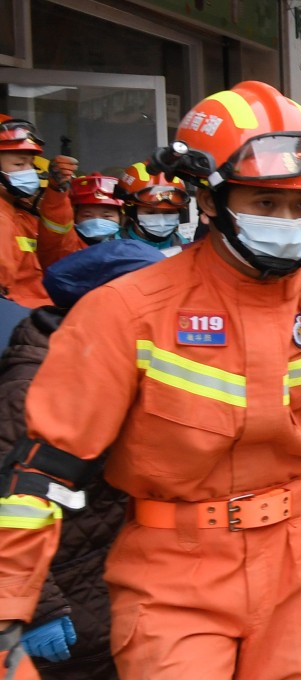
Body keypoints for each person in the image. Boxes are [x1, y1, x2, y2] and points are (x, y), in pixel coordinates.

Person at [0, 82, 301, 679]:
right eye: (265, 202)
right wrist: (9, 605)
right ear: (208, 202)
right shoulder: (128, 311)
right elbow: (44, 469)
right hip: (173, 572)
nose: (288, 222)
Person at [1, 240, 162, 680]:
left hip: (112, 574)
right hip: (70, 593)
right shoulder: (32, 386)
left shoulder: (119, 363)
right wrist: (36, 606)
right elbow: (13, 499)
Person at [0, 115, 73, 307]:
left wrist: (57, 194)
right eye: (18, 164)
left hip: (34, 315)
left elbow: (56, 258)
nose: (28, 171)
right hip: (17, 321)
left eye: (31, 163)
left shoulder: (18, 214)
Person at [35, 175, 125, 270]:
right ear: (75, 217)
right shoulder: (66, 245)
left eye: (107, 216)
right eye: (87, 216)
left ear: (121, 217)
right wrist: (57, 191)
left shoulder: (131, 248)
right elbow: (56, 216)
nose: (97, 221)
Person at [115, 163, 190, 252]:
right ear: (130, 211)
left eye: (169, 212)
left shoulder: (187, 247)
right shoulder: (111, 251)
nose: (161, 221)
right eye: (151, 213)